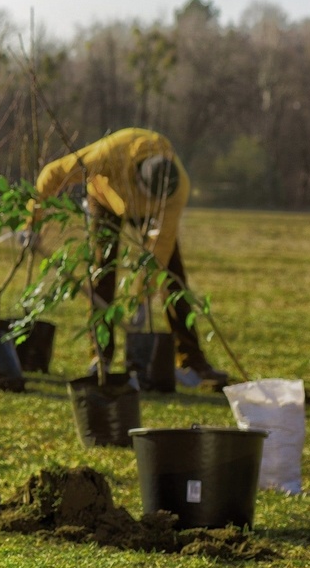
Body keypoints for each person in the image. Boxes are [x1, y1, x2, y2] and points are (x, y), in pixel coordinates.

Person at [34, 127, 228, 387]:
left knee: (174, 279)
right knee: (102, 271)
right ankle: (100, 357)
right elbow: (52, 174)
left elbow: (160, 249)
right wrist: (32, 225)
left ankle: (192, 360)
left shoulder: (176, 189)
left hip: (150, 215)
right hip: (105, 198)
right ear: (138, 178)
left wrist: (142, 299)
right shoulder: (109, 155)